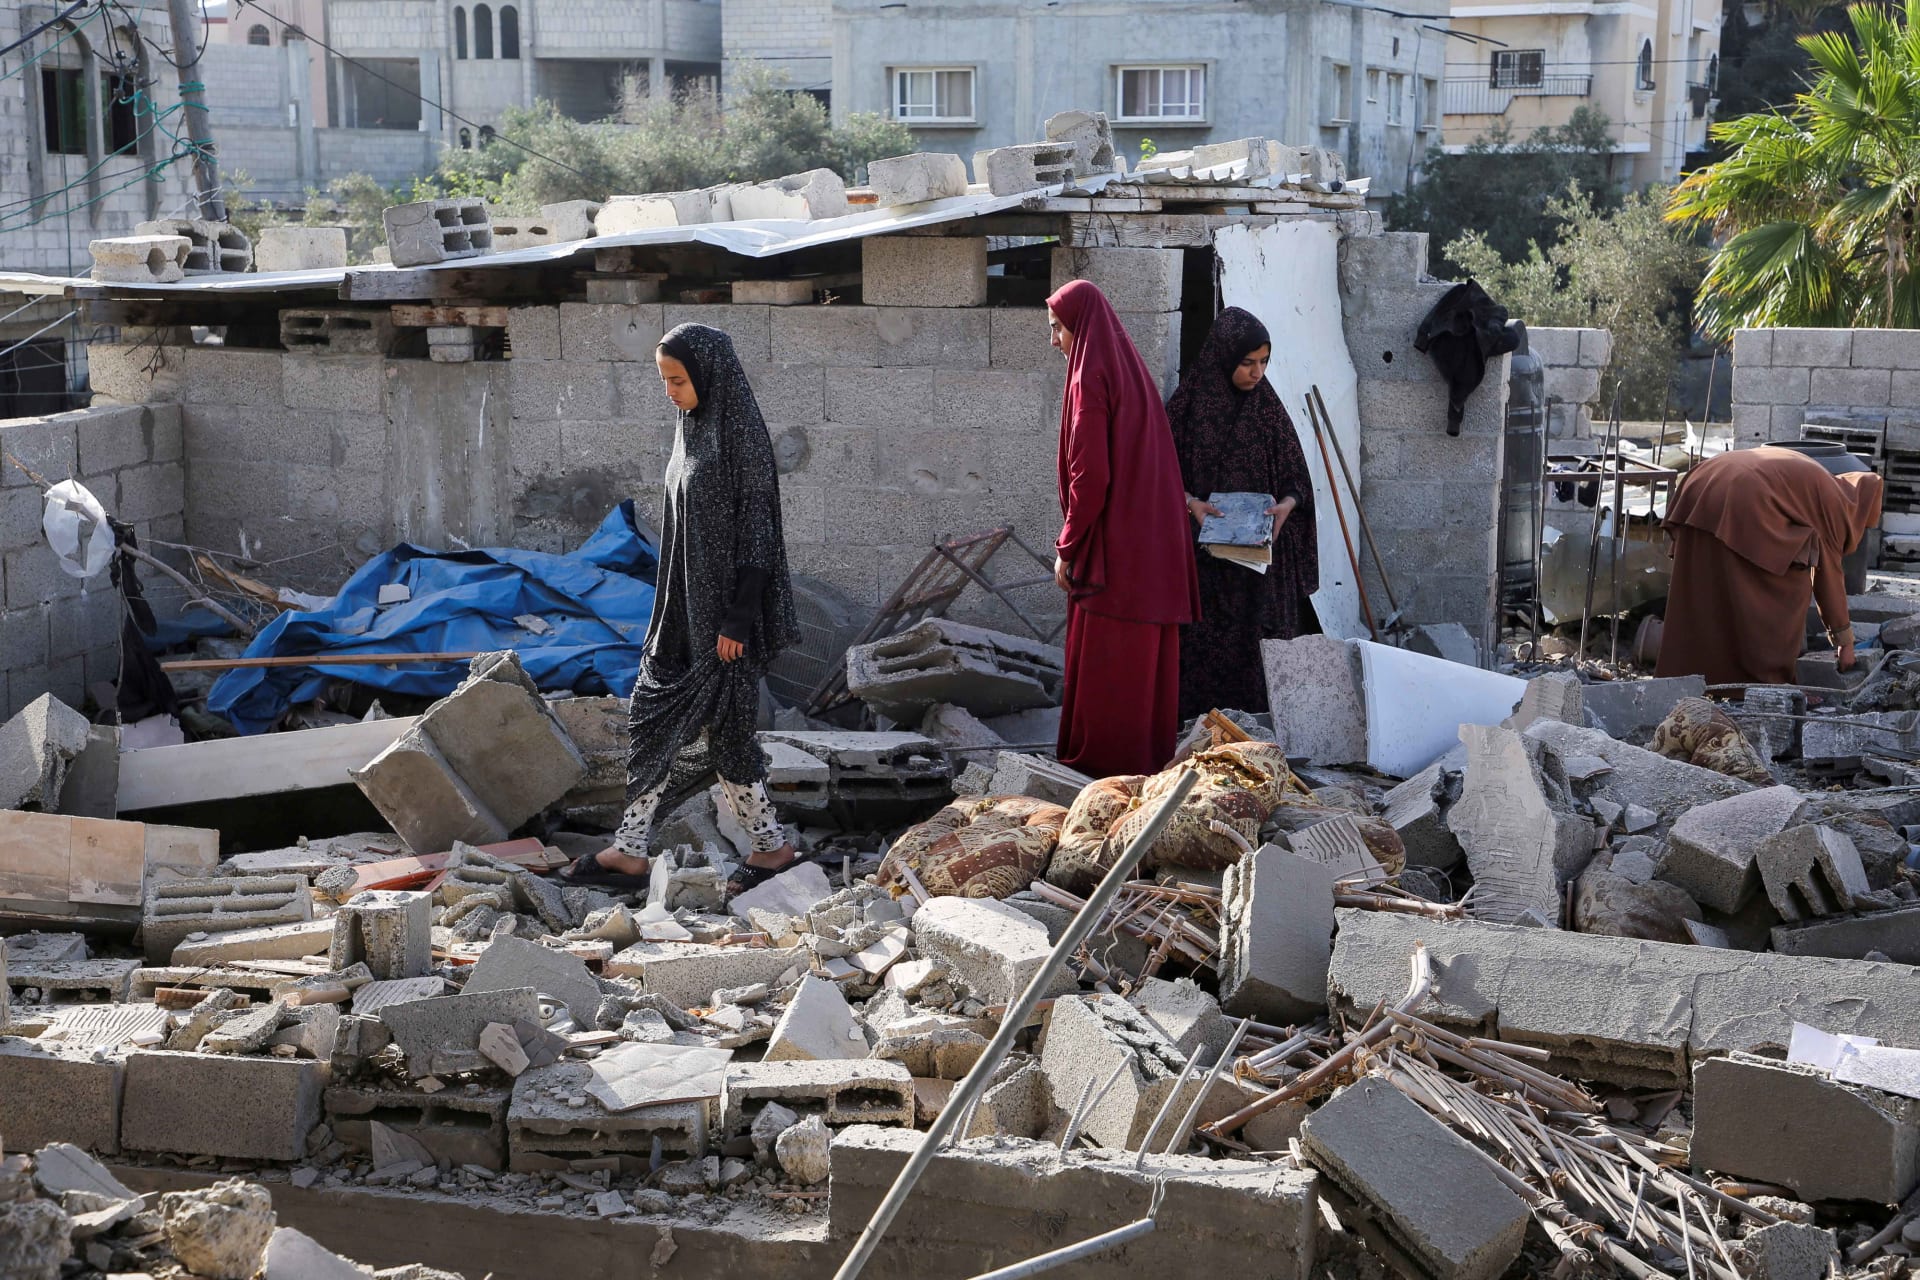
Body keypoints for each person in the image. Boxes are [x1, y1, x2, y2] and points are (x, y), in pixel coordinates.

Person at [562, 323, 806, 895]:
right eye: (664, 380)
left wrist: (739, 619)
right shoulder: (691, 430)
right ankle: (632, 850)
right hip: (681, 615)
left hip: (723, 621)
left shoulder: (741, 435)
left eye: (678, 380)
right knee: (654, 713)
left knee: (727, 733)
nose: (670, 391)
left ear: (709, 375)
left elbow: (760, 536)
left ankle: (769, 848)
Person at [1046, 279, 1200, 779]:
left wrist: (1067, 547)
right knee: (1141, 673)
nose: (1055, 341)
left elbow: (1090, 477)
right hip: (1150, 551)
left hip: (1117, 557)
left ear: (1080, 325)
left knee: (1110, 670)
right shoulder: (1126, 368)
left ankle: (1102, 775)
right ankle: (1142, 770)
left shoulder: (1090, 375)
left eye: (1058, 329)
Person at [1165, 306, 1319, 719]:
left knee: (1257, 664)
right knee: (1202, 658)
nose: (1256, 372)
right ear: (1224, 357)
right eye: (1247, 362)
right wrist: (1189, 504)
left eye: (1264, 362)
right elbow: (1154, 475)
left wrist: (1286, 506)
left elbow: (1297, 480)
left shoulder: (1268, 409)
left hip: (1259, 573)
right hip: (1206, 570)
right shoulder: (1188, 408)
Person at [1656, 444, 1883, 686]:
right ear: (1860, 507)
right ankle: (1765, 682)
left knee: (1706, 585)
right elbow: (1829, 580)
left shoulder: (1817, 479)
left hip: (1703, 480)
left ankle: (1685, 680)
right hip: (1742, 490)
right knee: (1787, 588)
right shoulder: (1834, 503)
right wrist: (1844, 644)